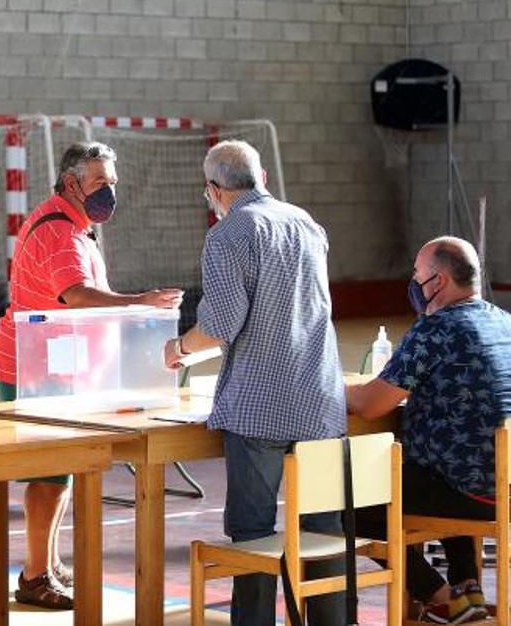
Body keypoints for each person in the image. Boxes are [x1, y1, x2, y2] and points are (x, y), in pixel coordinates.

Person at [0, 141, 183, 609]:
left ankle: (48, 563)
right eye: (101, 184)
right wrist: (141, 302)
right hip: (35, 368)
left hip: (52, 364)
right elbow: (77, 296)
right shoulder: (61, 233)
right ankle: (35, 575)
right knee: (51, 474)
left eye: (113, 184)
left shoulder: (73, 224)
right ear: (73, 183)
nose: (109, 193)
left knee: (62, 472)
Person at [163, 140, 347, 625]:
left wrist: (178, 349)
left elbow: (221, 324)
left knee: (253, 533)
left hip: (258, 405)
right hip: (320, 400)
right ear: (262, 173)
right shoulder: (307, 223)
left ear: (213, 189)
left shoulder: (228, 236)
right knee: (324, 528)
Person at [348, 237, 511, 624]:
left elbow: (370, 406)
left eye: (418, 275)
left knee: (338, 503)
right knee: (434, 470)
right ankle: (467, 590)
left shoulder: (435, 329)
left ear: (437, 282)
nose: (414, 283)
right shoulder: (504, 322)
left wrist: (327, 388)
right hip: (502, 484)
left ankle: (441, 598)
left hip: (467, 491)